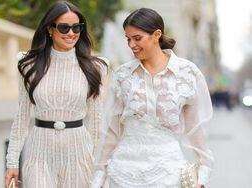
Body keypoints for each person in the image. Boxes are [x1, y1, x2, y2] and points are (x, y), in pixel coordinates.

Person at [91, 8, 214, 188]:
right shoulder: (123, 75)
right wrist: (100, 173)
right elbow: (112, 129)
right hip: (123, 173)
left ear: (156, 35)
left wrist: (204, 172)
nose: (131, 44)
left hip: (168, 173)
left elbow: (195, 128)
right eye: (128, 39)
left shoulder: (187, 73)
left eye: (137, 38)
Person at [5, 1, 107, 188]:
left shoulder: (96, 67)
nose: (71, 33)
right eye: (64, 27)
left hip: (79, 154)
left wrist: (98, 167)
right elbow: (21, 117)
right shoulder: (28, 64)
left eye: (76, 27)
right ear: (49, 29)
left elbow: (97, 123)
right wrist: (12, 161)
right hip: (39, 153)